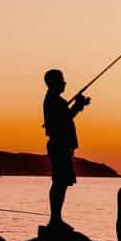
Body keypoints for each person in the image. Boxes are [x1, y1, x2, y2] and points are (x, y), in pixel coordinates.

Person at [43, 69, 90, 230]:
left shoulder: (54, 101)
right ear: (53, 83)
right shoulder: (54, 101)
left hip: (61, 146)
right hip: (59, 146)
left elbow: (66, 117)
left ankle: (56, 219)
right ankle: (55, 220)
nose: (64, 83)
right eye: (62, 80)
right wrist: (78, 105)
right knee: (59, 182)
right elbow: (64, 119)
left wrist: (78, 106)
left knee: (61, 183)